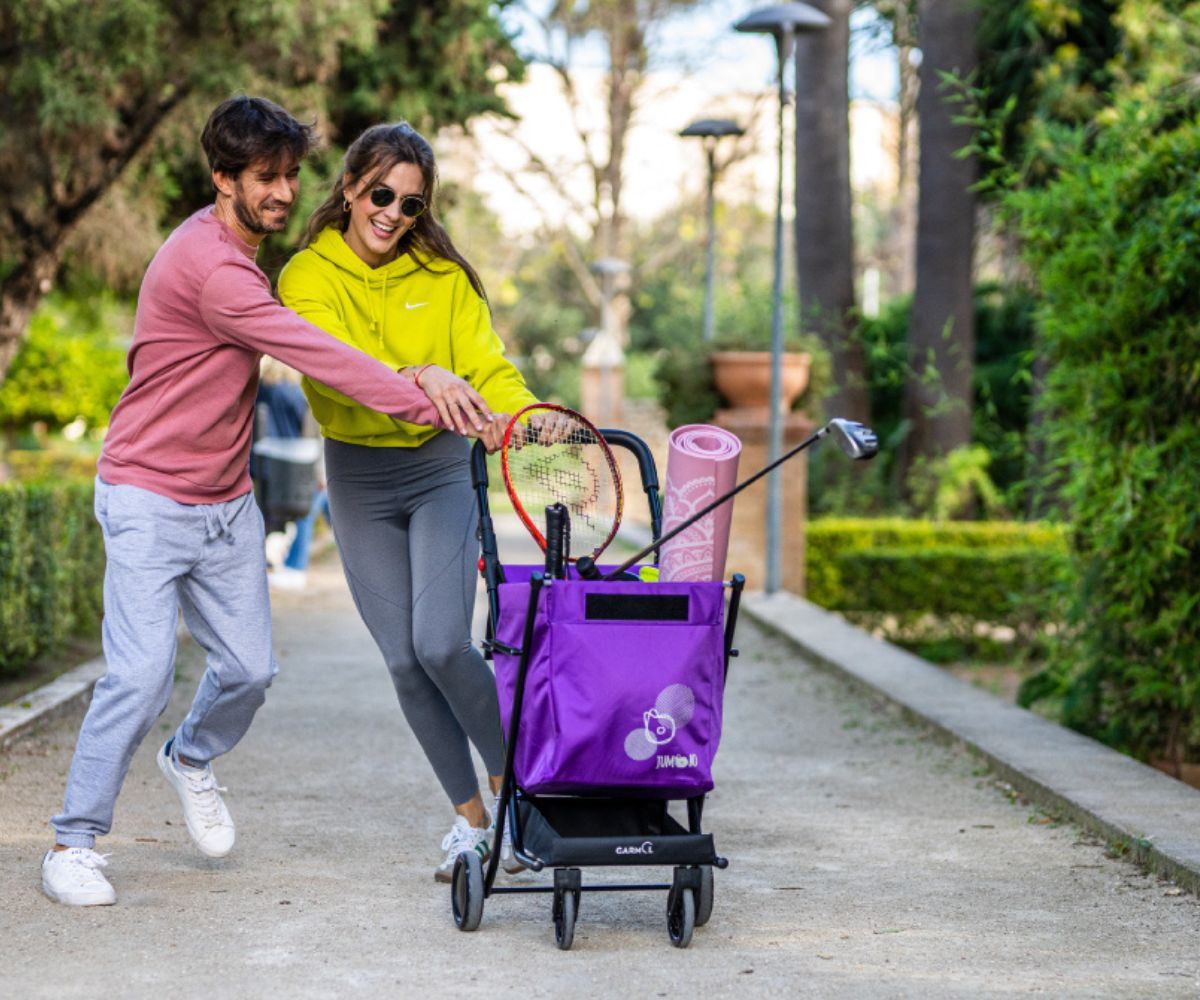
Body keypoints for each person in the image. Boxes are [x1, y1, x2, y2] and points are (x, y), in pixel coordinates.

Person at [41, 97, 492, 908]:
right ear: (223, 179)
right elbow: (320, 353)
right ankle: (74, 843)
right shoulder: (216, 270)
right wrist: (432, 395)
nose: (283, 192)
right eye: (263, 178)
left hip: (223, 503)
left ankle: (188, 756)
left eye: (289, 175)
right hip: (148, 496)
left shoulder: (242, 253)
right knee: (141, 675)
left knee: (250, 669)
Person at [278, 122, 540, 881]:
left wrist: (521, 416)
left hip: (437, 470)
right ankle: (472, 825)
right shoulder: (306, 276)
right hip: (358, 478)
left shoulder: (444, 280)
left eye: (413, 204)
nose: (393, 213)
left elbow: (487, 368)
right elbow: (333, 368)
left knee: (442, 645)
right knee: (401, 660)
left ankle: (519, 798)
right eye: (382, 194)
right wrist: (422, 374)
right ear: (352, 188)